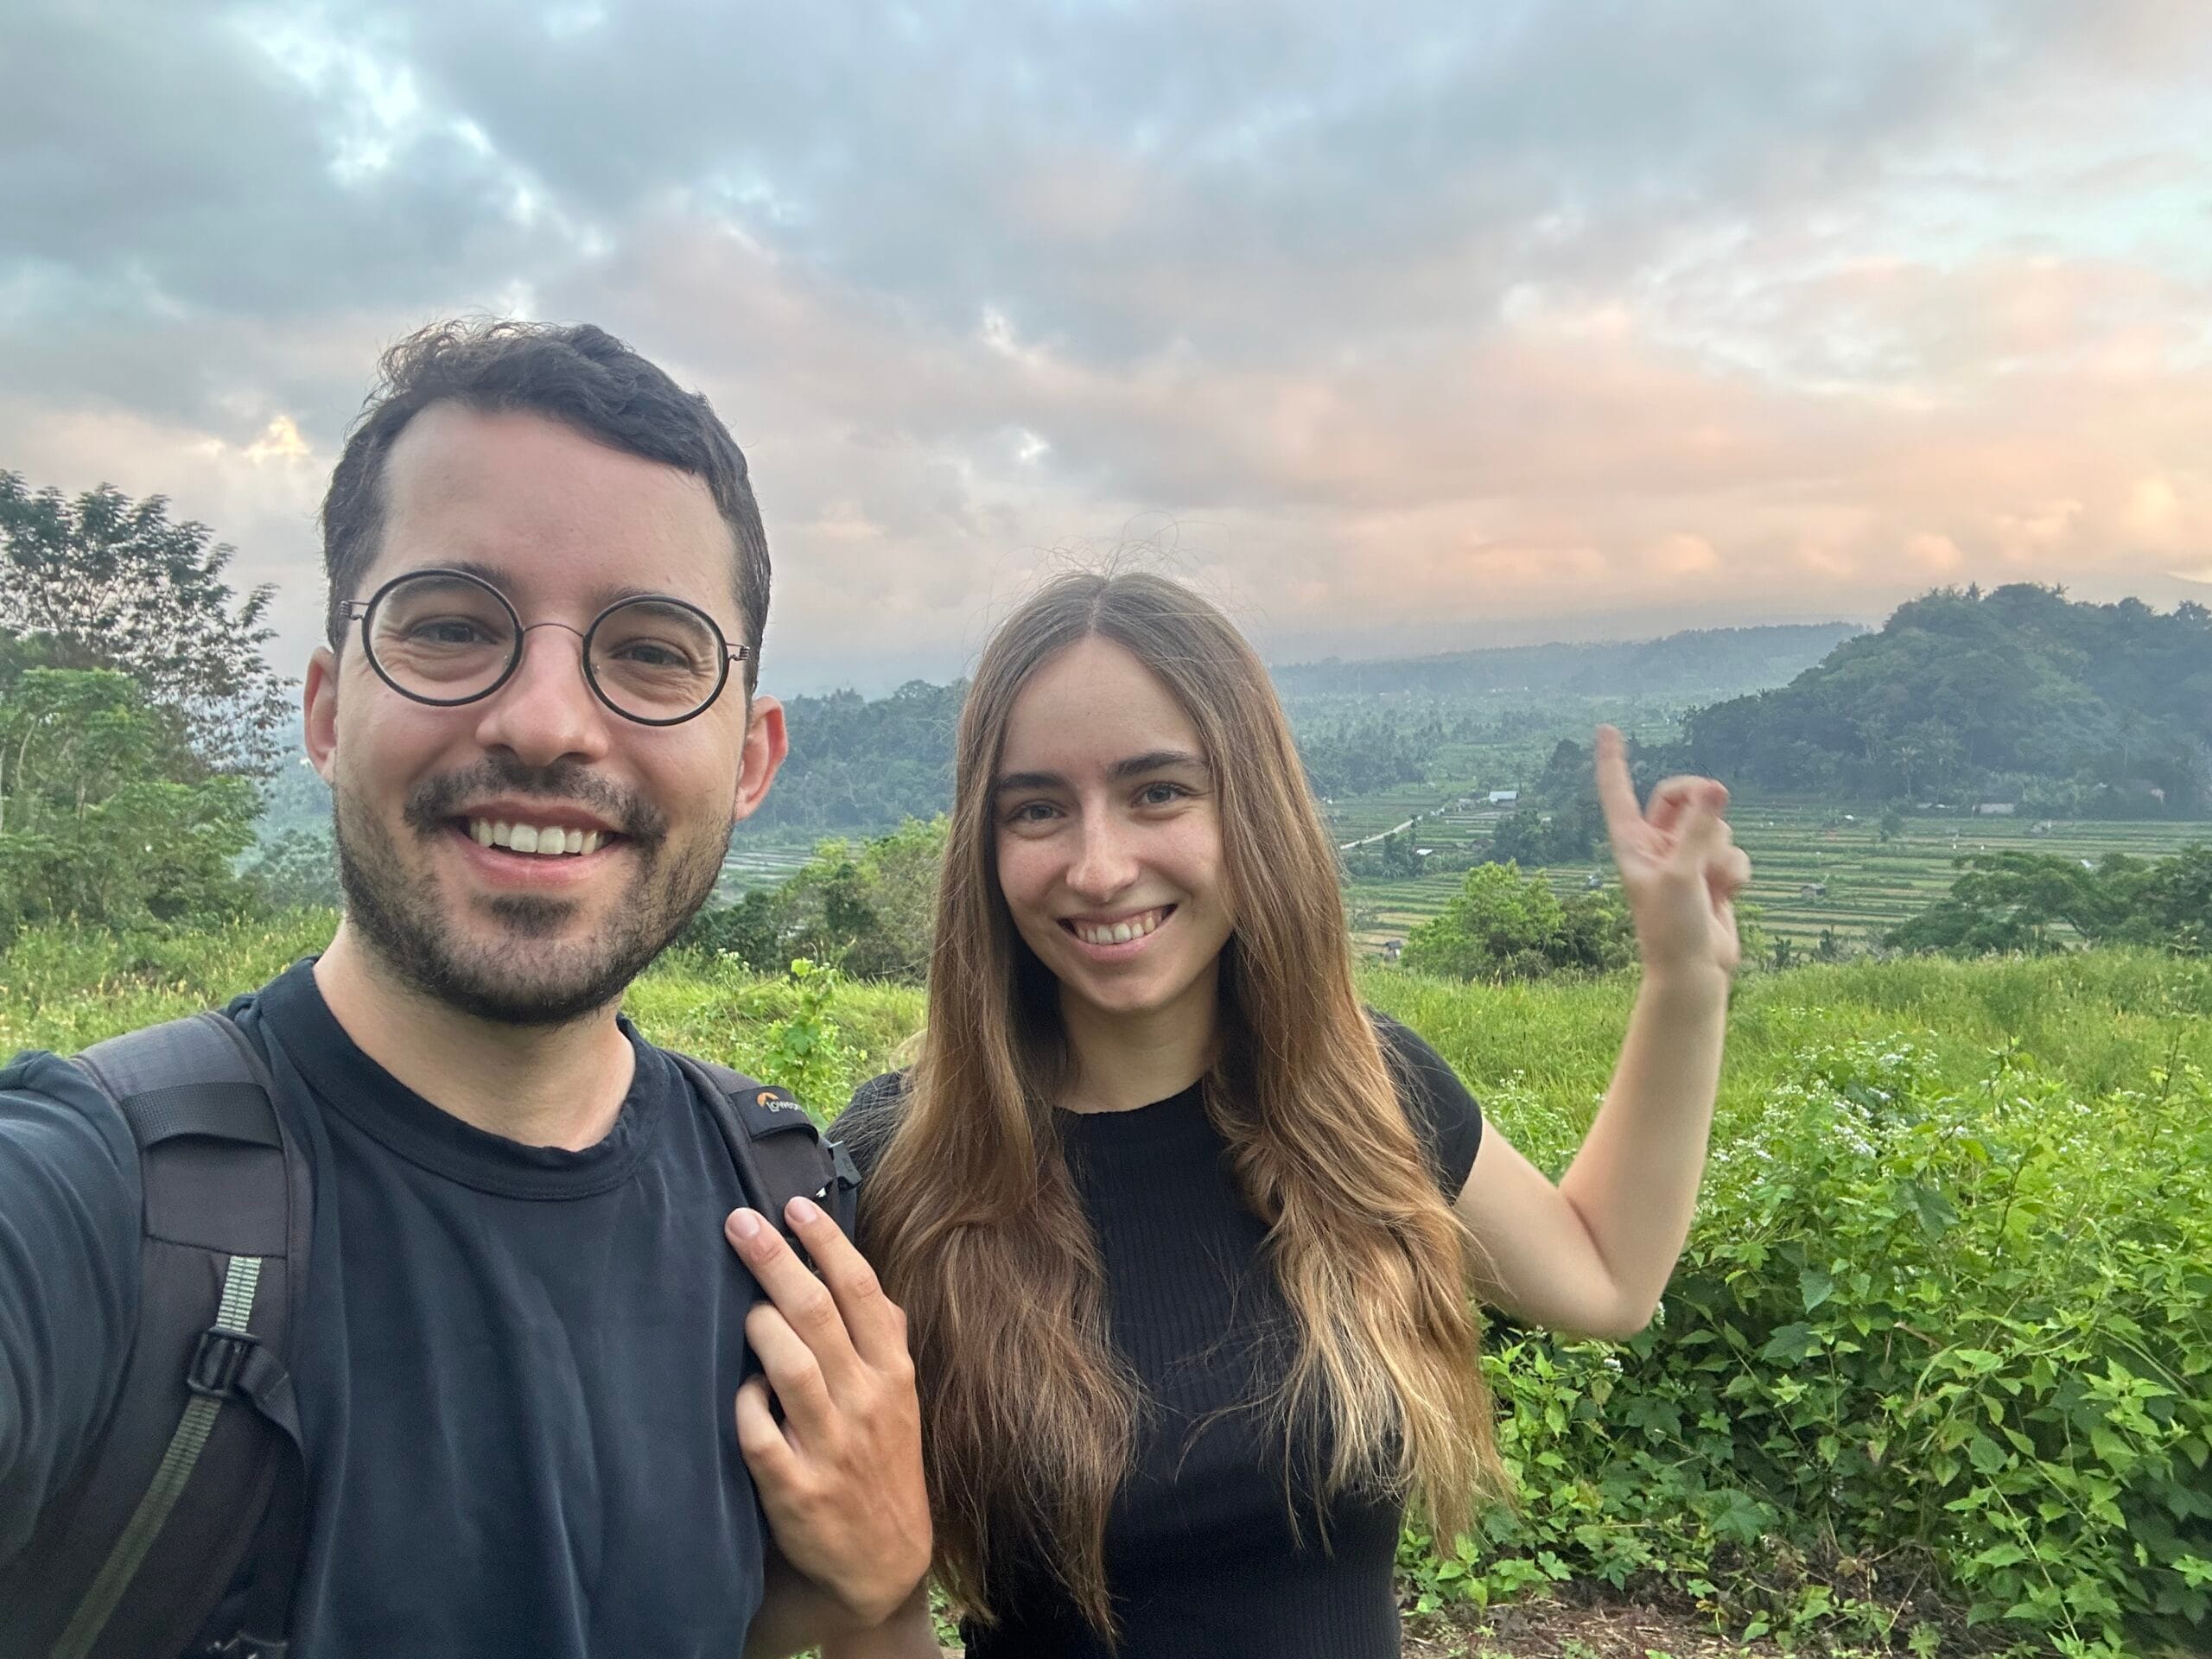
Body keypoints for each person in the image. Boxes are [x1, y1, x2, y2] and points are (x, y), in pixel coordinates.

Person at [0, 321, 928, 1657]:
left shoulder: (789, 1222)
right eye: (448, 627)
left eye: (653, 652)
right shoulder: (95, 1208)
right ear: (326, 710)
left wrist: (880, 1597)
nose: (546, 721)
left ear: (751, 756)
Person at [831, 570, 1751, 1658]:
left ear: (1250, 809)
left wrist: (1684, 981)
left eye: (1158, 791)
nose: (1098, 864)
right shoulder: (902, 1164)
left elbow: (1604, 1279)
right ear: (983, 850)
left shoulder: (1358, 1093)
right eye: (1036, 808)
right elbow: (858, 1593)